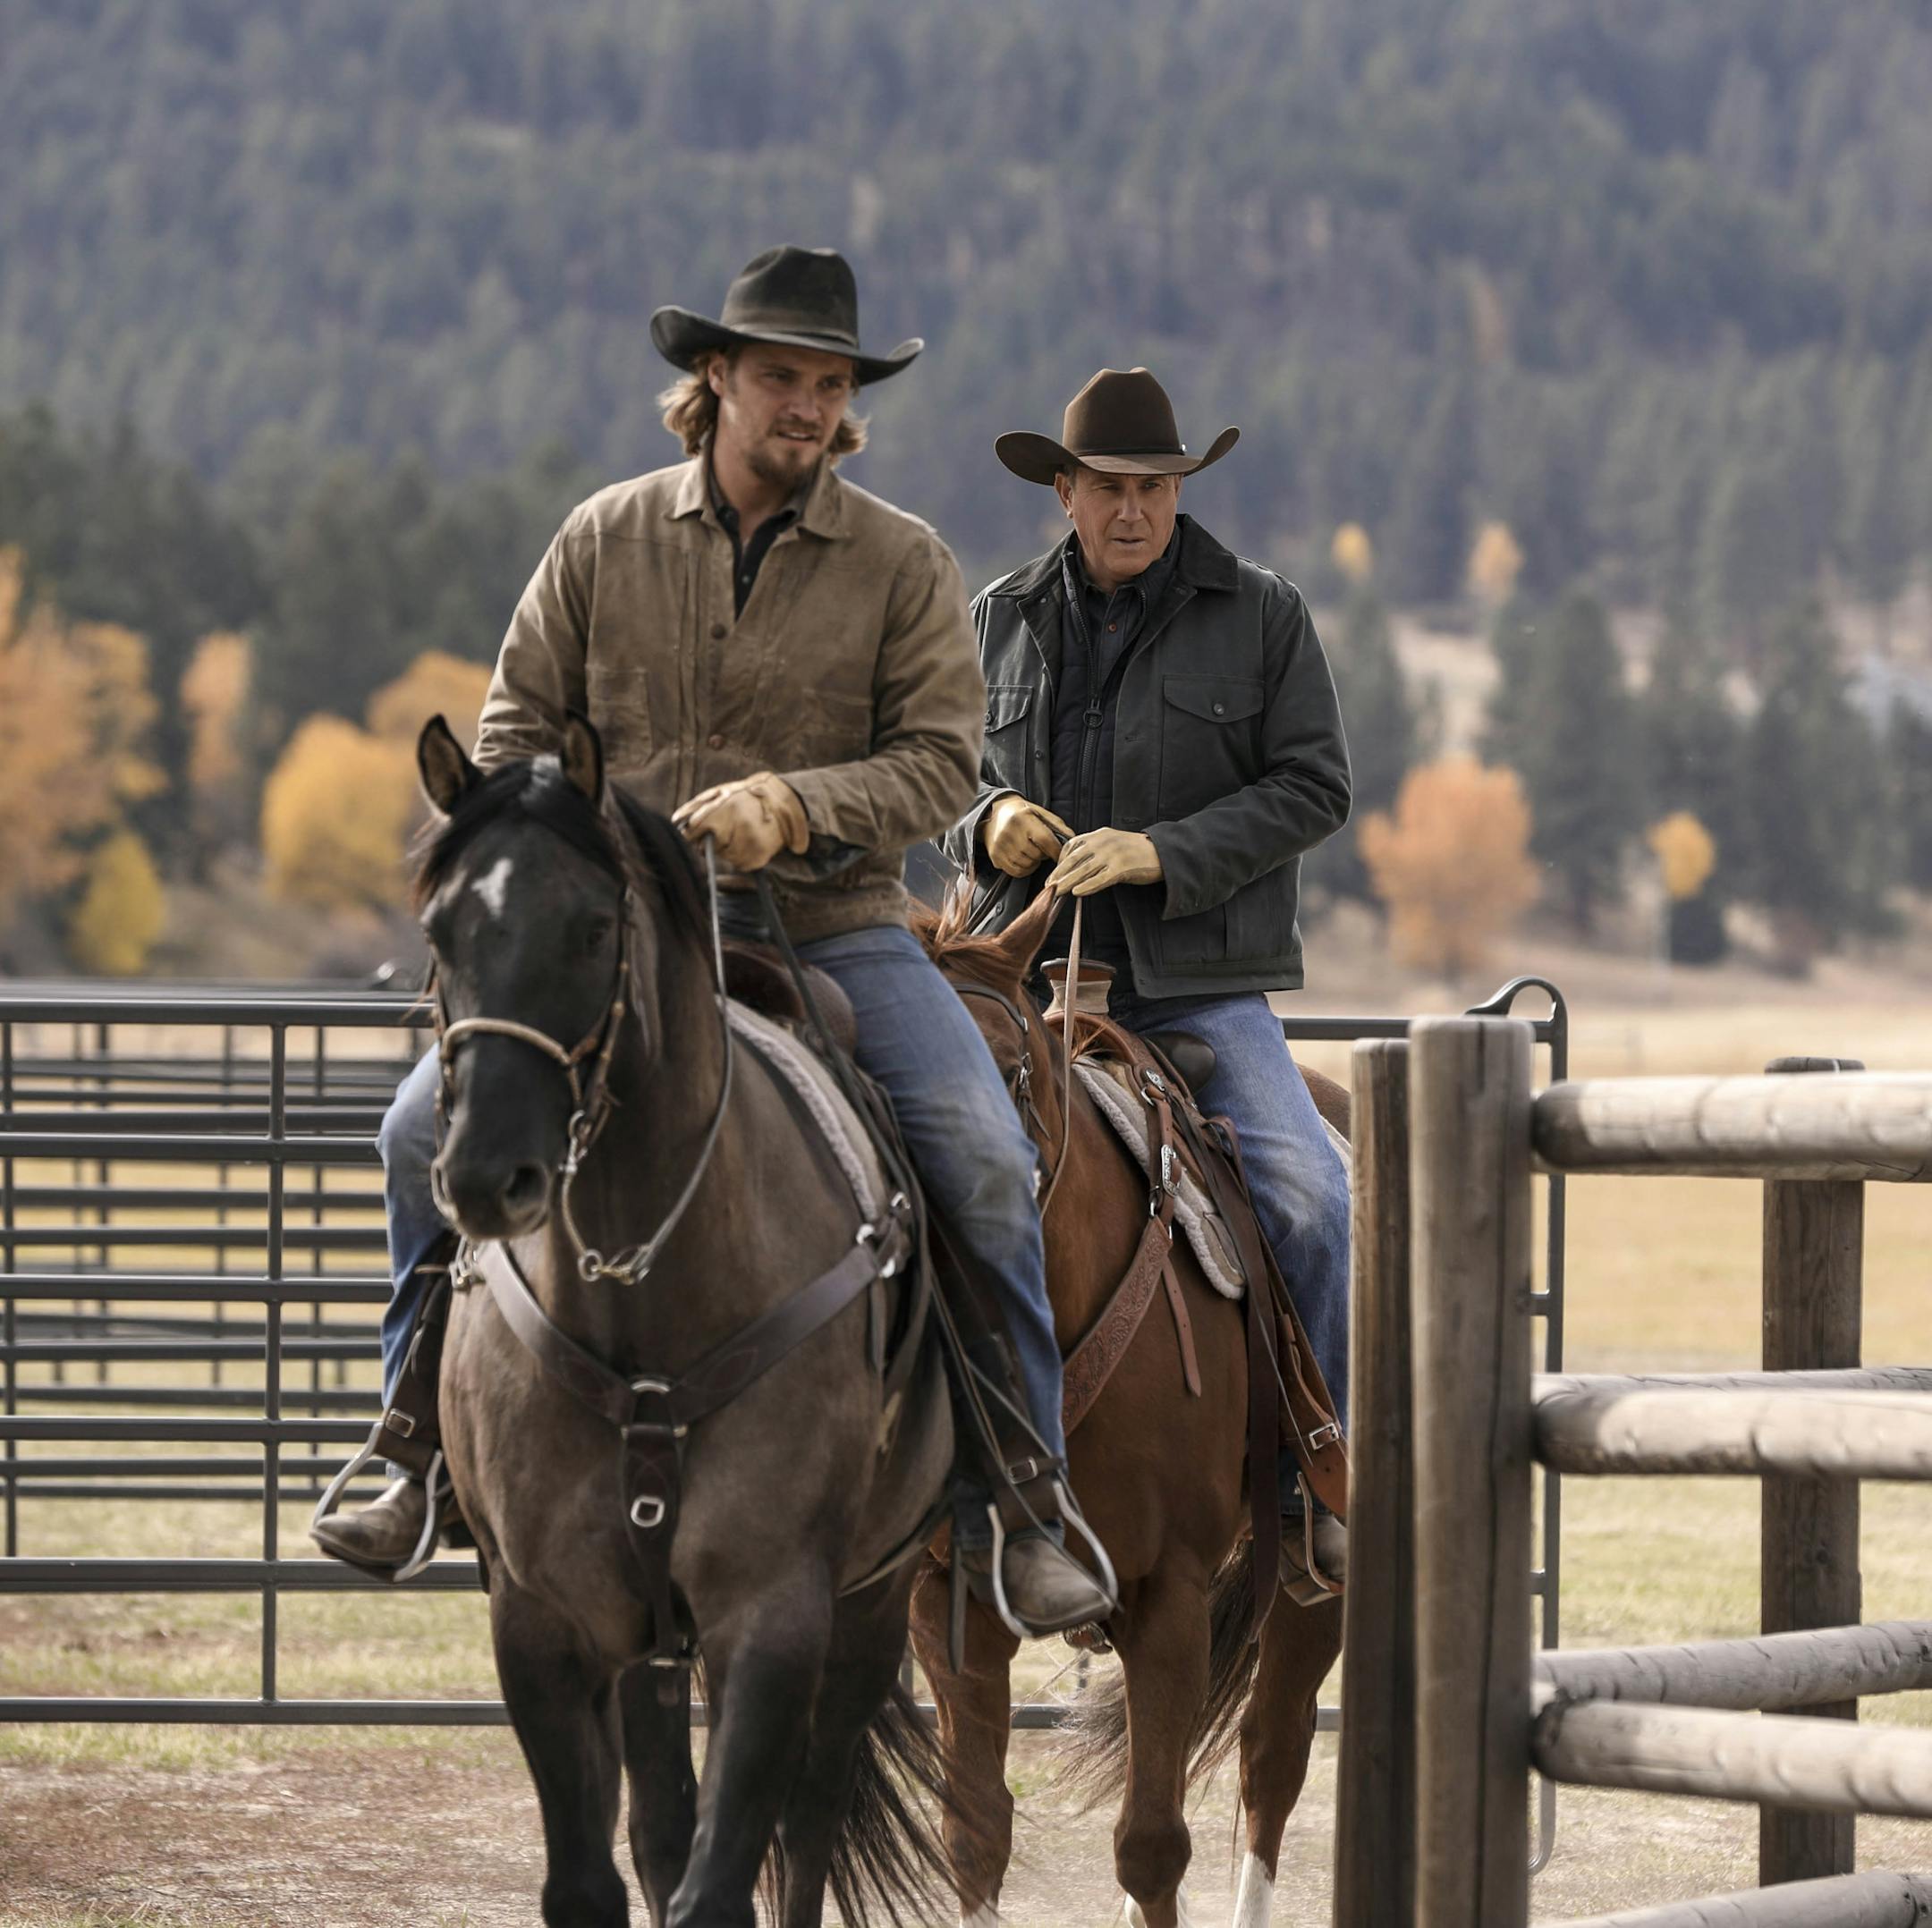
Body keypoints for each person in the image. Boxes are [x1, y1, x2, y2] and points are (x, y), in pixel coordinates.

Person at [312, 247, 1112, 1634]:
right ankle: (409, 1443)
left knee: (982, 1157)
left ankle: (1024, 1493)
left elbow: (939, 764)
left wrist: (794, 808)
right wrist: (588, 841)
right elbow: (507, 740)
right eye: (782, 377)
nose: (807, 405)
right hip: (612, 941)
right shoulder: (600, 539)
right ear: (717, 380)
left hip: (836, 924)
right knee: (407, 1133)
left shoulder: (901, 562)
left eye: (831, 384)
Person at [944, 366, 1354, 1594]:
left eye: (1158, 488)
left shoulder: (1263, 614)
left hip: (1193, 983)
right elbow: (940, 771)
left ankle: (1316, 1477)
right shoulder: (996, 616)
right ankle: (910, 1475)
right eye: (1112, 486)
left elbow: (1314, 786)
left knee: (1314, 1195)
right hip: (1010, 979)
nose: (1136, 508)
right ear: (1062, 491)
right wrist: (990, 819)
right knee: (884, 1177)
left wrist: (1163, 853)